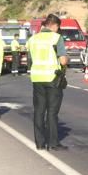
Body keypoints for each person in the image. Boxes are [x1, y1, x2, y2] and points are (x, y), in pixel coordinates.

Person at [27, 14, 68, 151]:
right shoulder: (56, 38)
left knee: (39, 111)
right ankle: (53, 143)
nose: (58, 30)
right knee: (52, 112)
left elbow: (30, 60)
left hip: (37, 79)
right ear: (54, 25)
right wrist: (64, 64)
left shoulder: (32, 39)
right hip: (52, 79)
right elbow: (62, 60)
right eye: (58, 27)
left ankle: (39, 143)